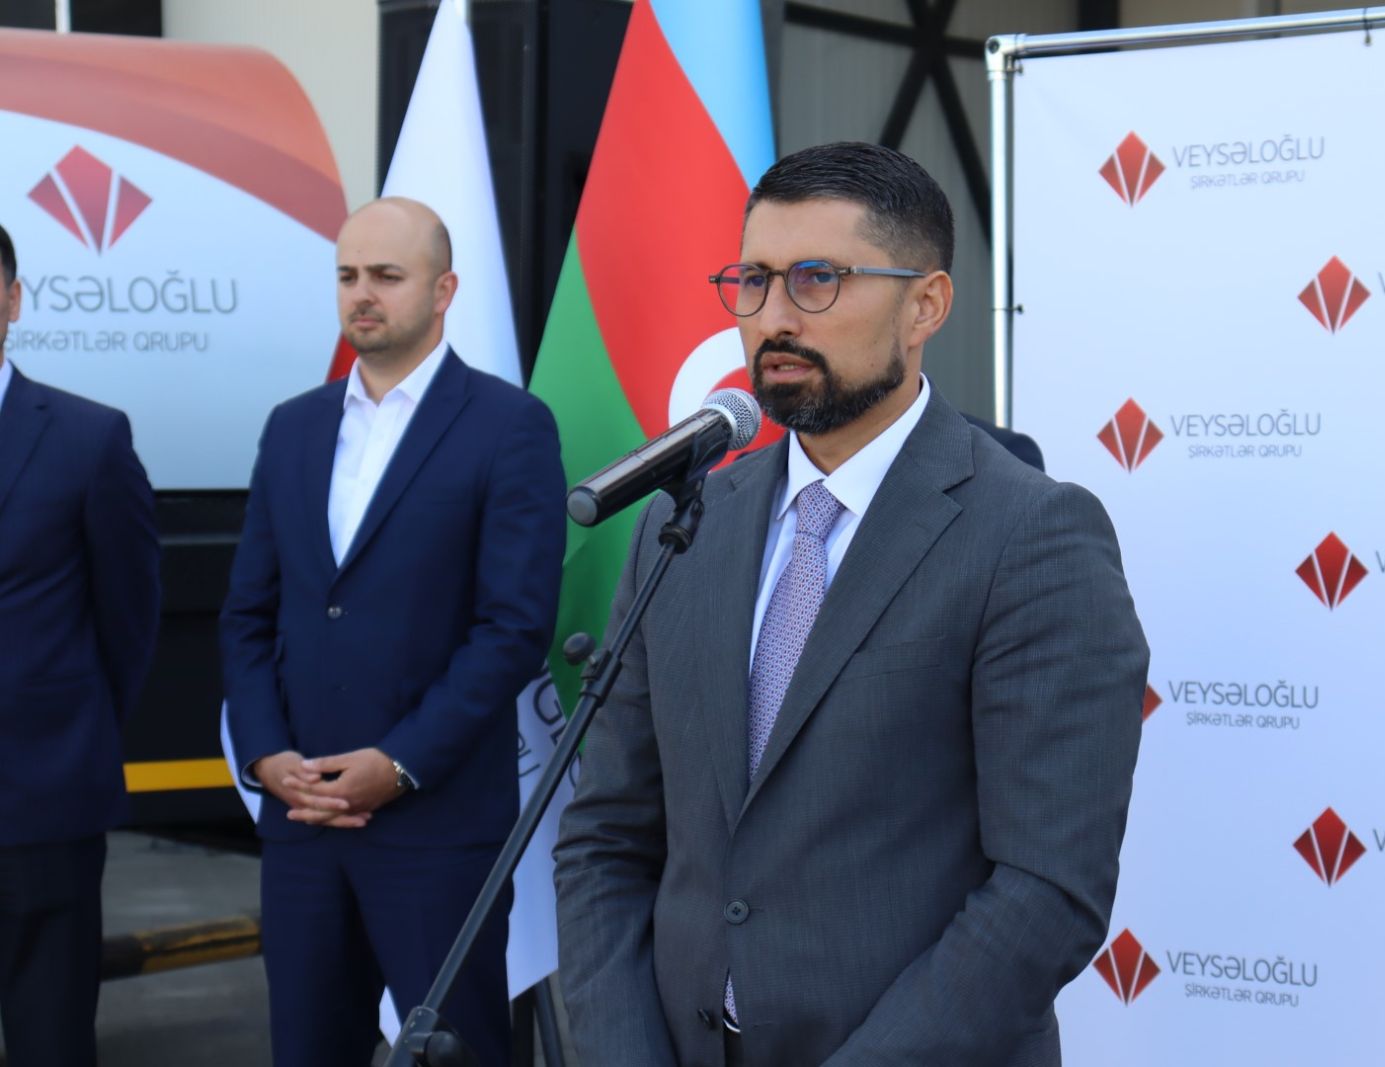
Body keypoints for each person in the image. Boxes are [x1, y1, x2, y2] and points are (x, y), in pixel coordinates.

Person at [554, 142, 1148, 1066]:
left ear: (926, 306)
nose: (773, 318)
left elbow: (1046, 888)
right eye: (754, 280)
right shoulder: (685, 523)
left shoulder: (1033, 534)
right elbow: (605, 838)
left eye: (818, 279)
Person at [220, 198, 565, 1067]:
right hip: (302, 827)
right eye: (347, 276)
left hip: (436, 833)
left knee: (458, 1055)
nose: (361, 293)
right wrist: (264, 755)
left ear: (444, 290)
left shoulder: (509, 426)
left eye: (385, 275)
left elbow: (513, 628)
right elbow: (249, 613)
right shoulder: (293, 426)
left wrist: (400, 763)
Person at [0, 222, 161, 1067]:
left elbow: (129, 616)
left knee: (50, 1040)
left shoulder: (88, 438)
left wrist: (69, 732)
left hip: (42, 808)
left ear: (13, 301)